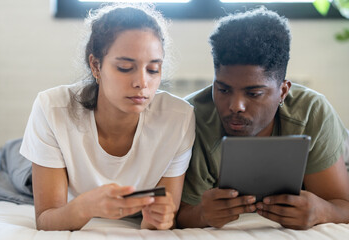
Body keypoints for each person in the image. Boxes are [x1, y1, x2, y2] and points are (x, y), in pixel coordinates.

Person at [20, 4, 195, 231]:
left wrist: (158, 220)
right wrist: (86, 207)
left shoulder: (178, 119)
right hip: (28, 166)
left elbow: (164, 216)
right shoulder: (52, 108)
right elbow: (45, 218)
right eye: (124, 67)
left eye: (153, 69)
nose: (141, 83)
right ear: (96, 66)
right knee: (11, 171)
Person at [176, 7, 349, 230]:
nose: (235, 106)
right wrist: (201, 215)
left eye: (253, 93)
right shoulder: (191, 118)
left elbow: (342, 205)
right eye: (223, 89)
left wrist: (322, 211)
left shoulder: (311, 112)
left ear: (283, 91)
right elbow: (177, 214)